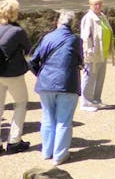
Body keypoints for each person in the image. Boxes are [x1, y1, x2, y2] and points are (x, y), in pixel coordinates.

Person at [29, 9, 83, 166]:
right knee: (63, 120)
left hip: (46, 83)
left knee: (47, 118)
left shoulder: (47, 37)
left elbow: (33, 61)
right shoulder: (75, 40)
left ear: (58, 22)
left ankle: (47, 152)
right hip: (67, 83)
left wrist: (42, 76)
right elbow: (80, 61)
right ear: (72, 24)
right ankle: (59, 155)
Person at [0, 0, 32, 157]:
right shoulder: (17, 31)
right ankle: (14, 140)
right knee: (20, 103)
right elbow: (29, 48)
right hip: (12, 73)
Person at [80, 0, 115, 111]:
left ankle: (96, 100)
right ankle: (85, 103)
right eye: (96, 4)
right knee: (89, 78)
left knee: (99, 78)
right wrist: (88, 52)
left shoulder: (102, 16)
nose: (98, 6)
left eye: (100, 4)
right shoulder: (88, 18)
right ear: (90, 5)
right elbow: (85, 37)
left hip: (102, 53)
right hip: (92, 54)